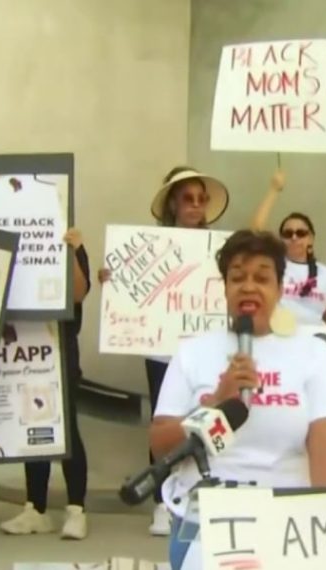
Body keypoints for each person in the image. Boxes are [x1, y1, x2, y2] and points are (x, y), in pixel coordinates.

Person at [151, 230, 326, 570]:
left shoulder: (313, 352)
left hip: (287, 522)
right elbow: (160, 446)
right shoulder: (193, 352)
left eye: (262, 278)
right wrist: (214, 404)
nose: (248, 286)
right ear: (225, 288)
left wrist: (322, 517)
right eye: (237, 278)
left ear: (279, 288)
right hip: (202, 521)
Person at [99, 166, 230, 535]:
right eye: (187, 198)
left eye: (201, 198)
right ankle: (162, 500)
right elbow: (130, 292)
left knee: (211, 418)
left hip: (206, 352)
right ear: (172, 202)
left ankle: (209, 490)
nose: (195, 205)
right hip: (161, 351)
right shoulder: (145, 247)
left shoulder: (220, 246)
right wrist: (113, 281)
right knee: (165, 422)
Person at [0, 228, 92, 540]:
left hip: (60, 349)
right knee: (31, 425)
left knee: (67, 430)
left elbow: (79, 293)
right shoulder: (14, 238)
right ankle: (35, 508)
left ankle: (76, 510)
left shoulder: (71, 242)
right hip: (26, 347)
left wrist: (73, 251)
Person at [249, 169, 326, 325]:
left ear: (311, 239)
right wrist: (274, 190)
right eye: (288, 233)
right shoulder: (274, 267)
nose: (294, 237)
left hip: (317, 340)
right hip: (279, 338)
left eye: (300, 233)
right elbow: (256, 233)